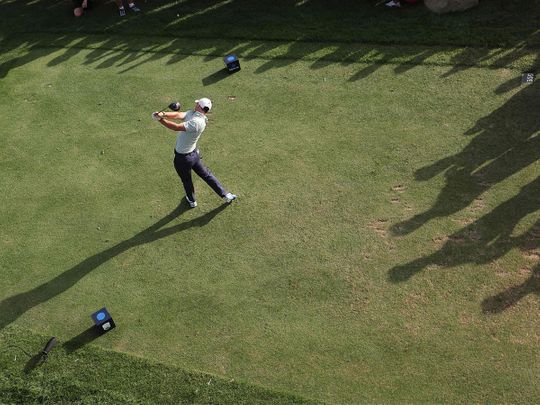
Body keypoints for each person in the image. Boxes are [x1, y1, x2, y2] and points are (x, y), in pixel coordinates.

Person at [152, 98, 237, 208]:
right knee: (207, 175)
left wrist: (160, 120)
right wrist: (162, 114)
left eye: (197, 103)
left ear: (199, 107)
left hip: (183, 159)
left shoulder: (197, 123)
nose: (195, 104)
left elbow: (176, 127)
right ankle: (226, 194)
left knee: (187, 180)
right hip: (194, 154)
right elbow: (178, 115)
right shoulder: (193, 114)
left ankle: (192, 201)